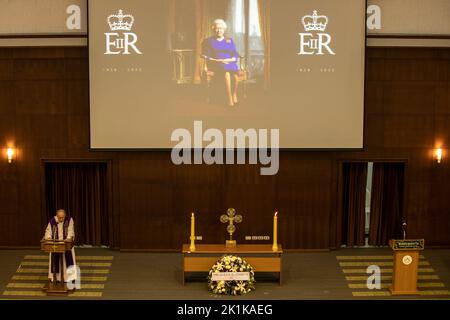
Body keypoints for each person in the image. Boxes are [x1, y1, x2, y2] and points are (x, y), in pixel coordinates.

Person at [202, 19, 240, 107]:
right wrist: (218, 60)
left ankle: (234, 94)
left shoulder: (229, 40)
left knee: (235, 75)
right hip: (216, 63)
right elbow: (206, 55)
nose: (219, 30)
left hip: (229, 61)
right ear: (213, 29)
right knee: (226, 72)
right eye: (217, 28)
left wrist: (231, 59)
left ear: (224, 30)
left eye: (221, 28)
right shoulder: (209, 41)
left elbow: (234, 53)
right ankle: (229, 98)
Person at [44, 209, 77, 283]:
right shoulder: (52, 221)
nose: (61, 219)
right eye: (60, 217)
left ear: (65, 215)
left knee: (68, 259)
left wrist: (68, 239)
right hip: (56, 245)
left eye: (63, 217)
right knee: (55, 260)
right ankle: (56, 278)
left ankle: (69, 277)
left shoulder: (69, 220)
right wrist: (48, 237)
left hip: (66, 244)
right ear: (57, 216)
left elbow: (71, 230)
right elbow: (48, 231)